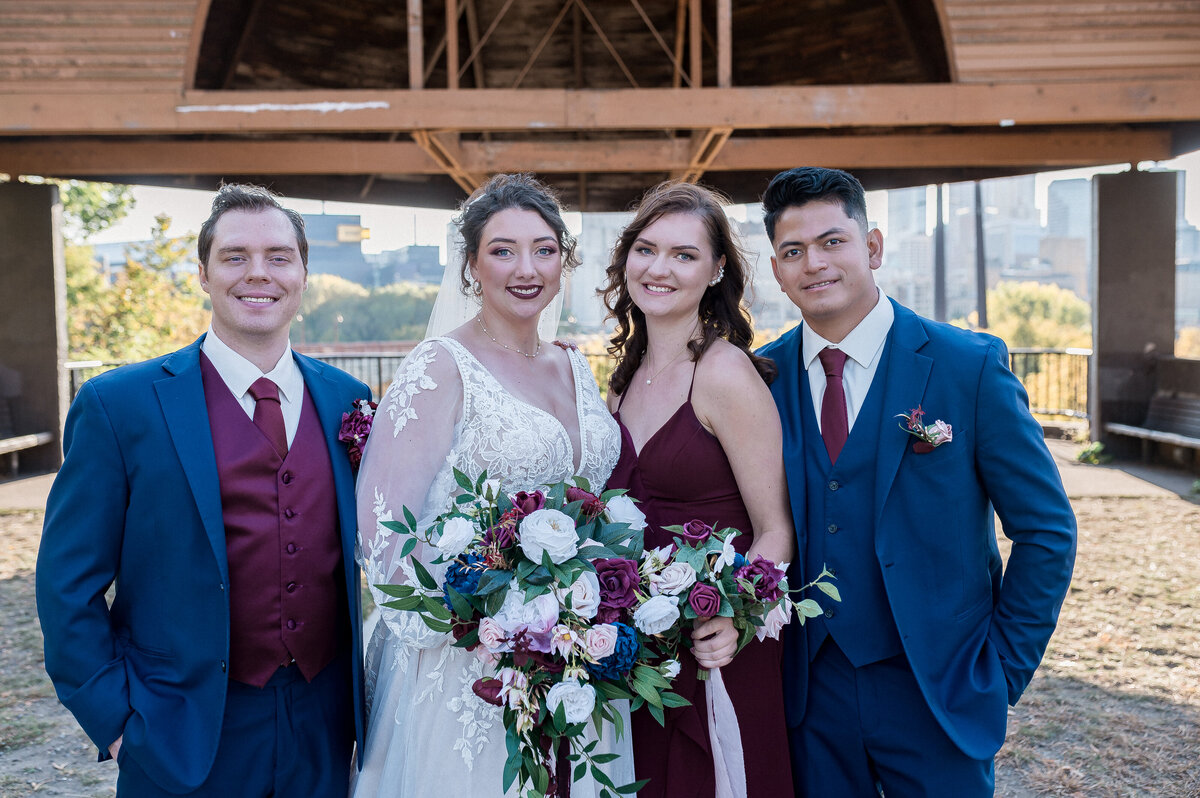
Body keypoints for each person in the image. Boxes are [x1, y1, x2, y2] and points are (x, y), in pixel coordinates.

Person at [36, 184, 371, 796]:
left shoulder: (348, 401)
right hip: (179, 727)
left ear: (303, 273)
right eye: (235, 256)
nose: (258, 274)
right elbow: (67, 584)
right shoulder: (119, 405)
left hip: (324, 726)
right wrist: (117, 724)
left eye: (278, 256)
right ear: (203, 273)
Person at [756, 166, 1077, 796]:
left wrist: (1000, 671)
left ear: (872, 247)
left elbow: (1046, 532)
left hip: (938, 687)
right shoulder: (760, 379)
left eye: (832, 242)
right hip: (806, 696)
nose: (814, 263)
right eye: (793, 251)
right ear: (777, 270)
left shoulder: (968, 367)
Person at [351, 173, 633, 796]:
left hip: (573, 656)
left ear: (565, 261)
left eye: (544, 249)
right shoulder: (441, 366)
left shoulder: (574, 365)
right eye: (502, 250)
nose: (525, 268)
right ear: (472, 266)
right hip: (470, 666)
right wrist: (476, 624)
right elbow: (381, 528)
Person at [600, 181, 795, 797]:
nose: (660, 268)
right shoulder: (621, 381)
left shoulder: (724, 373)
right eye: (646, 248)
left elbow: (775, 527)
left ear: (715, 271)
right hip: (636, 651)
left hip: (716, 649)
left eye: (684, 255)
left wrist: (739, 617)